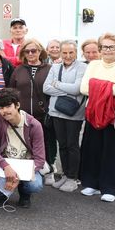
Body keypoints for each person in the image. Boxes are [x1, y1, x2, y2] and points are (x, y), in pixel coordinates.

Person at [79, 32, 115, 202]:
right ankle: (92, 183)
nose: (108, 50)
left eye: (112, 47)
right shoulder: (93, 65)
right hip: (93, 113)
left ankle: (110, 188)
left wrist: (97, 86)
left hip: (113, 116)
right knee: (92, 148)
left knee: (112, 151)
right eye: (105, 47)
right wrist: (108, 88)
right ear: (100, 49)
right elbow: (84, 88)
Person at [0, 88, 45, 209]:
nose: (4, 111)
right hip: (5, 161)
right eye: (1, 108)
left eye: (8, 106)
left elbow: (40, 159)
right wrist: (5, 166)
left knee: (35, 185)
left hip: (25, 163)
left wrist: (17, 178)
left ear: (17, 105)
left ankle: (25, 193)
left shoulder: (34, 125)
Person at [7, 39, 55, 184]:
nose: (30, 53)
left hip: (43, 114)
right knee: (26, 143)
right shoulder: (19, 69)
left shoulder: (50, 69)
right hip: (23, 115)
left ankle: (48, 170)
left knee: (46, 143)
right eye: (27, 51)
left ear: (40, 52)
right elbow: (11, 90)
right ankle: (28, 170)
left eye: (34, 50)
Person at [42, 40, 88, 193]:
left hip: (73, 113)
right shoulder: (55, 67)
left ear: (76, 53)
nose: (68, 56)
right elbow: (46, 88)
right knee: (62, 144)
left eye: (71, 52)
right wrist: (66, 91)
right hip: (56, 111)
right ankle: (65, 174)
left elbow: (77, 89)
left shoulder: (83, 67)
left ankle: (73, 177)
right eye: (65, 52)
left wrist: (58, 84)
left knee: (72, 145)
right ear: (60, 53)